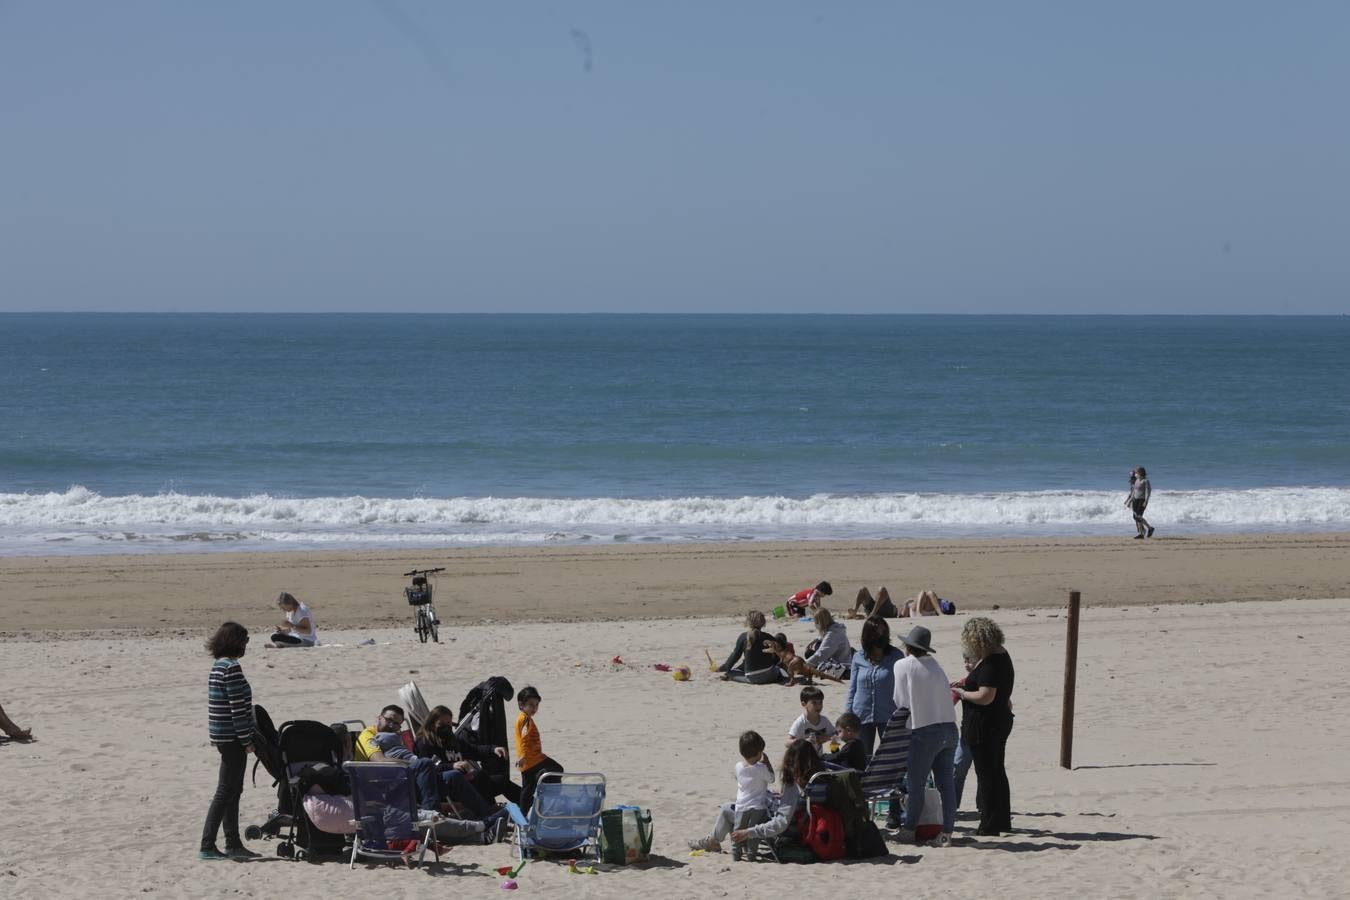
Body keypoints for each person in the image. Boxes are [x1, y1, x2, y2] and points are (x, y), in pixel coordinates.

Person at [199, 622, 261, 860]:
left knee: (234, 790)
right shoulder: (232, 668)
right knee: (226, 791)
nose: (246, 646)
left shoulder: (218, 666)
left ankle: (233, 842)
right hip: (233, 738)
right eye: (245, 641)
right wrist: (246, 740)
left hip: (223, 736)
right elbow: (236, 708)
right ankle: (207, 844)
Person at [891, 625, 957, 847]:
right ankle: (947, 833)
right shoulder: (936, 665)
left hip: (924, 730)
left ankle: (909, 829)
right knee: (946, 784)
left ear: (908, 646)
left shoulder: (902, 665)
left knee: (916, 784)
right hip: (949, 727)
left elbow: (900, 702)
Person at [953, 617, 1015, 836]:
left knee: (987, 775)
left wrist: (962, 693)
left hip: (986, 726)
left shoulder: (991, 663)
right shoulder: (1000, 655)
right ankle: (1000, 821)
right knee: (996, 772)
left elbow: (985, 696)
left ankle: (989, 825)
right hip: (997, 722)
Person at [686, 730, 775, 858]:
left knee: (726, 809)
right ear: (759, 752)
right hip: (759, 809)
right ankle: (720, 843)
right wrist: (767, 763)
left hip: (745, 809)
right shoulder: (762, 769)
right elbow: (771, 779)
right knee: (728, 809)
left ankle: (714, 842)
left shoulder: (738, 766)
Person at [726, 739, 826, 850]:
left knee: (727, 809)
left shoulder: (794, 787)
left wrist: (748, 832)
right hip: (814, 823)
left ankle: (713, 842)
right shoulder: (820, 778)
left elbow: (781, 823)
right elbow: (800, 801)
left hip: (793, 830)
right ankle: (712, 841)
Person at [413, 705, 508, 815]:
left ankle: (524, 808)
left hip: (463, 778)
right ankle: (488, 813)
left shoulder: (452, 739)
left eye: (449, 724)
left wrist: (493, 749)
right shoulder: (425, 742)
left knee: (501, 781)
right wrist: (452, 766)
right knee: (479, 779)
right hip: (443, 783)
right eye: (441, 724)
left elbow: (473, 750)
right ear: (432, 724)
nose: (446, 727)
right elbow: (426, 769)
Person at [844, 616, 906, 759]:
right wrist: (847, 716)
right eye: (878, 633)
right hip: (861, 715)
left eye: (884, 633)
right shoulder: (858, 657)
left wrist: (904, 715)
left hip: (889, 716)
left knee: (890, 758)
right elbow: (852, 689)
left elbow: (904, 688)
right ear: (868, 637)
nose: (882, 636)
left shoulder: (897, 656)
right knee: (862, 759)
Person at [514, 686, 563, 814]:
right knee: (557, 769)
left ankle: (523, 814)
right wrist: (523, 756)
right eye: (531, 705)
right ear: (521, 704)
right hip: (533, 759)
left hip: (528, 762)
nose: (534, 708)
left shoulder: (522, 718)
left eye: (536, 705)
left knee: (527, 789)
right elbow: (524, 738)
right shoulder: (525, 719)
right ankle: (548, 804)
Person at [717, 610, 783, 684]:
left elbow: (735, 656)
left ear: (748, 622)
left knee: (729, 672)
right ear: (763, 622)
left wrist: (723, 668)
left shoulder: (743, 637)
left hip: (753, 678)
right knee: (777, 668)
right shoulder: (768, 636)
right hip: (771, 676)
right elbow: (778, 656)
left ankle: (729, 675)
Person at [803, 609, 853, 679]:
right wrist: (817, 639)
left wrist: (803, 664)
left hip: (842, 668)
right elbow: (824, 637)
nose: (815, 624)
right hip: (840, 661)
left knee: (814, 666)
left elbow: (821, 654)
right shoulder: (836, 628)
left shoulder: (832, 634)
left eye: (816, 621)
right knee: (809, 653)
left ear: (821, 622)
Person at [1126, 467, 1155, 538]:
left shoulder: (1146, 481)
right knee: (1135, 517)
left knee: (1138, 517)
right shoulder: (1137, 481)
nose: (1135, 474)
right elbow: (1134, 491)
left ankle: (1149, 528)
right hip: (1135, 500)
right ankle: (1141, 533)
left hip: (1142, 501)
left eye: (1136, 473)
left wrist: (1146, 501)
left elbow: (1148, 492)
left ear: (1140, 473)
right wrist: (1130, 500)